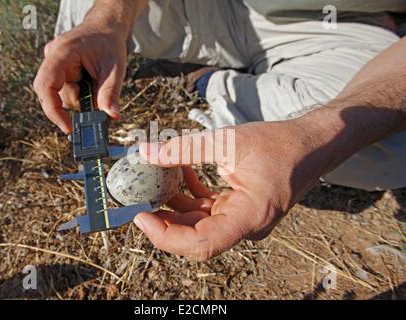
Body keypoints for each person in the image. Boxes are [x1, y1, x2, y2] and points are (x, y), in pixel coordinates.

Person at [34, 0, 406, 261]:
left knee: (389, 147)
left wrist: (311, 135)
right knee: (80, 16)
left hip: (343, 27)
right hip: (224, 7)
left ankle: (206, 81)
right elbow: (100, 16)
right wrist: (107, 19)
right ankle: (240, 90)